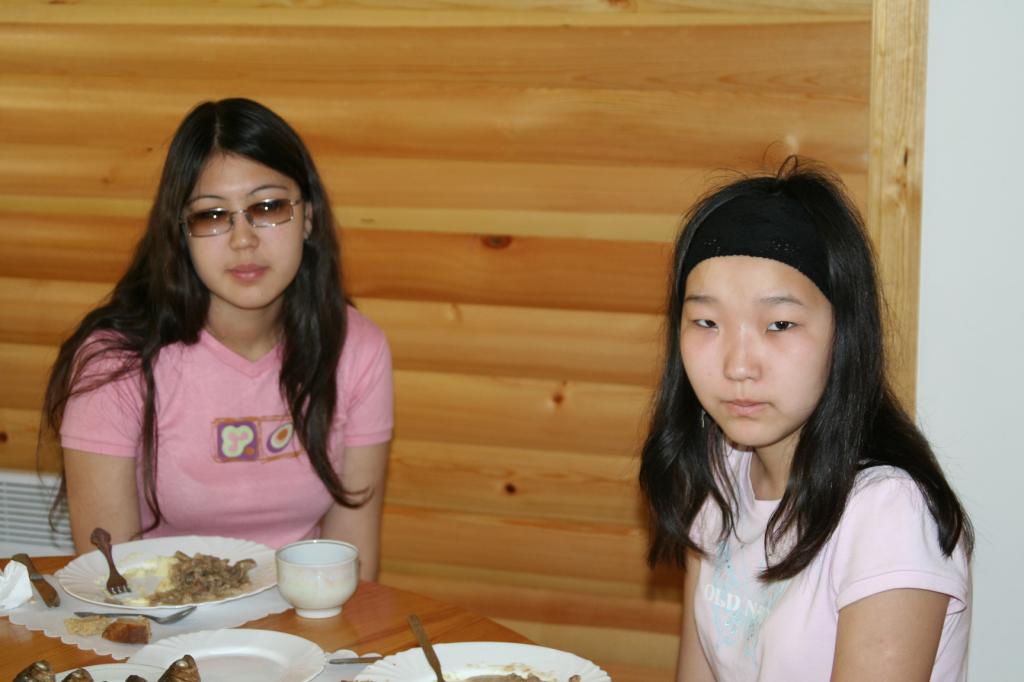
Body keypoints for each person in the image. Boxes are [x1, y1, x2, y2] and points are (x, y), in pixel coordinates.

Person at [638, 158, 972, 681]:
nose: (738, 366)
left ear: (844, 333)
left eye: (779, 324)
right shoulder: (720, 469)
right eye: (706, 322)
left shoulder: (889, 513)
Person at [42, 98, 393, 581]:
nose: (243, 239)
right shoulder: (115, 363)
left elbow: (353, 563)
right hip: (163, 618)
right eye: (211, 216)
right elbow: (110, 580)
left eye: (268, 207)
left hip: (305, 618)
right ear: (181, 234)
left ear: (308, 217)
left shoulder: (357, 348)